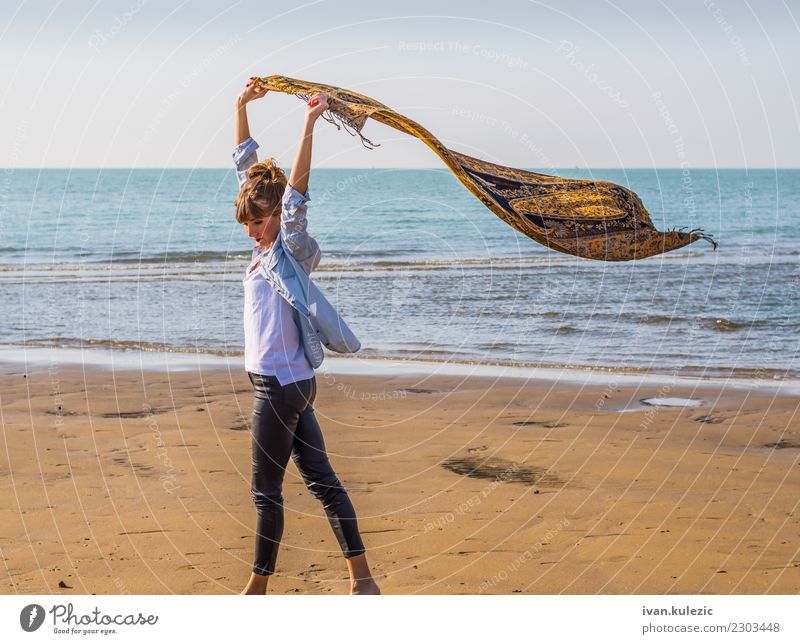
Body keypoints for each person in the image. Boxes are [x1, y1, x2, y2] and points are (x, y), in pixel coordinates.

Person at [232, 78, 379, 595]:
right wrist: (241, 107)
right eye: (247, 222)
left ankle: (256, 592)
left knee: (265, 492)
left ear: (275, 219)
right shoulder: (260, 248)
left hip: (277, 388)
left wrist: (309, 124)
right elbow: (245, 165)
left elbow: (295, 198)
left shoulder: (286, 251)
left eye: (259, 222)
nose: (252, 230)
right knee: (323, 483)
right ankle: (363, 581)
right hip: (293, 386)